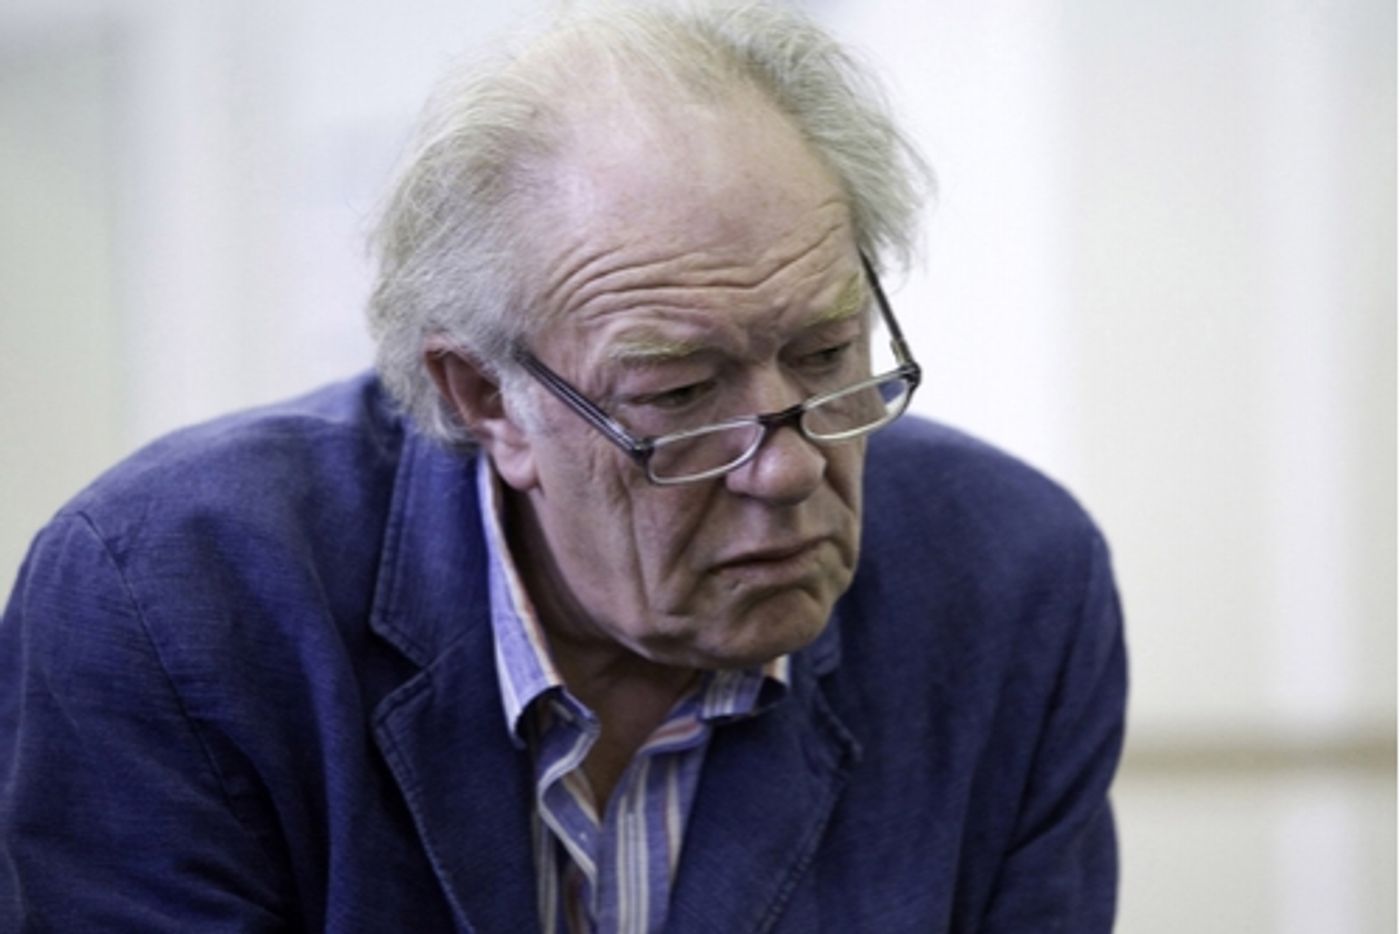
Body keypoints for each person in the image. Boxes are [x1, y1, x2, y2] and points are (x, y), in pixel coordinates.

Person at [0, 3, 1126, 932]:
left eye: (825, 354)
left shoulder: (1011, 583)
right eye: (678, 395)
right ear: (485, 398)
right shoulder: (170, 601)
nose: (786, 473)